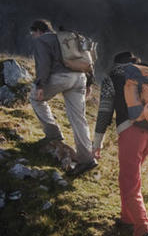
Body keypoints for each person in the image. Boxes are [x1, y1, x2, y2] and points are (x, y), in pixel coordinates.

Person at [93, 51, 148, 236]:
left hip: (130, 132)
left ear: (117, 63)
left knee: (129, 183)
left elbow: (104, 112)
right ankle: (127, 219)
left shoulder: (113, 77)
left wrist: (97, 143)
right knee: (131, 178)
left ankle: (144, 232)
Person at [28, 19, 97, 176]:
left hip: (61, 77)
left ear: (38, 31)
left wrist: (40, 85)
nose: (33, 37)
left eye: (33, 33)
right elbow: (89, 60)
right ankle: (87, 159)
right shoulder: (68, 39)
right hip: (80, 78)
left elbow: (43, 64)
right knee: (78, 118)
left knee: (35, 99)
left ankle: (53, 134)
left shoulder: (42, 41)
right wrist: (89, 83)